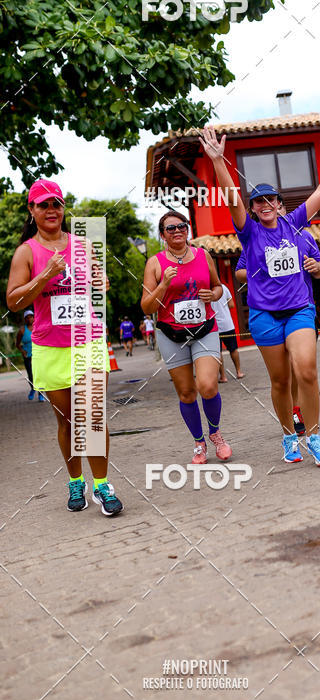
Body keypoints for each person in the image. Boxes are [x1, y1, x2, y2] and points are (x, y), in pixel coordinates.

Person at [200, 124, 320, 465]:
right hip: (264, 315)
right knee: (280, 380)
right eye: (259, 201)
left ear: (279, 203)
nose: (266, 204)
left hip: (299, 309)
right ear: (254, 208)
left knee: (307, 371)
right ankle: (289, 436)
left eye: (271, 199)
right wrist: (217, 161)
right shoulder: (249, 232)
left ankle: (314, 436)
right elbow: (230, 197)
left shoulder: (296, 223)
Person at [6, 178, 123, 516]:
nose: (51, 209)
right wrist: (45, 276)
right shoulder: (27, 251)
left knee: (93, 417)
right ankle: (76, 481)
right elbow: (14, 302)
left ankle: (102, 485)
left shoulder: (83, 244)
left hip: (88, 341)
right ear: (32, 210)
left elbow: (100, 284)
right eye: (43, 204)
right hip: (51, 346)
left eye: (56, 203)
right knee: (69, 422)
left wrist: (102, 282)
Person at [141, 210, 232, 464]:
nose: (178, 230)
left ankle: (216, 435)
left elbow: (218, 286)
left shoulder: (204, 255)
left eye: (182, 225)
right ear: (162, 235)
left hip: (204, 329)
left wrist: (213, 296)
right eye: (171, 228)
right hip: (171, 334)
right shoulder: (155, 263)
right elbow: (147, 307)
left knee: (207, 385)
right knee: (186, 393)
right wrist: (163, 285)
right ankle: (199, 442)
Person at [235, 212, 320, 434]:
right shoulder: (257, 241)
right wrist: (260, 275)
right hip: (270, 313)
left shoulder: (305, 237)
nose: (277, 216)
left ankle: (300, 410)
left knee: (303, 368)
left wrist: (317, 267)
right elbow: (239, 271)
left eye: (280, 210)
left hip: (302, 310)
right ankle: (291, 418)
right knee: (283, 374)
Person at [210, 280, 245, 381]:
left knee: (218, 352)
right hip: (227, 324)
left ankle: (223, 376)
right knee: (233, 349)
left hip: (213, 326)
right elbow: (231, 305)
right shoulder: (224, 288)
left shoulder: (205, 290)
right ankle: (239, 372)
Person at [16, 309, 45, 401]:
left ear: (34, 317)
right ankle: (33, 388)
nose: (29, 319)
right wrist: (22, 351)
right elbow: (17, 344)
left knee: (40, 375)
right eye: (27, 318)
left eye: (31, 317)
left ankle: (41, 394)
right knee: (31, 375)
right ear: (25, 319)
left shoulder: (39, 327)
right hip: (28, 356)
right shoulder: (22, 331)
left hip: (39, 355)